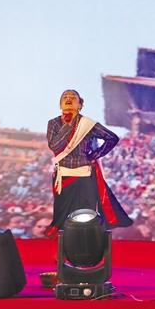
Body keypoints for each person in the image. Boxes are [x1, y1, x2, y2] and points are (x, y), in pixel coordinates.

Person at [46, 90, 132, 237]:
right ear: (60, 104)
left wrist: (95, 154)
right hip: (63, 175)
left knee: (85, 213)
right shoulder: (53, 123)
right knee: (62, 212)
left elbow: (112, 138)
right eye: (65, 97)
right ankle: (64, 244)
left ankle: (86, 242)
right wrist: (69, 125)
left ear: (80, 105)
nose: (68, 98)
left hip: (85, 175)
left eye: (73, 97)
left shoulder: (88, 124)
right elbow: (55, 146)